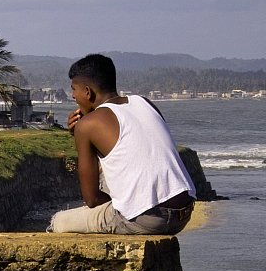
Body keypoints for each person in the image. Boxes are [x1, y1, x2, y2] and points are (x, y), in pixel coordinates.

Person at [47, 54, 196, 235]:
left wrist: (80, 133)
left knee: (60, 222)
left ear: (88, 92)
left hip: (149, 219)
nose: (73, 96)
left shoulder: (87, 126)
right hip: (184, 211)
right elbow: (126, 154)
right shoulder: (145, 103)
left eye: (74, 90)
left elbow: (92, 199)